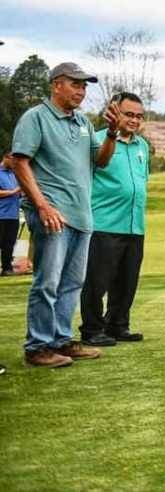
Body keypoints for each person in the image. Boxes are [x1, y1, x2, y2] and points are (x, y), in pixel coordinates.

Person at [11, 62, 121, 368]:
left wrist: (111, 133)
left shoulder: (83, 123)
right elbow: (21, 163)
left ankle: (60, 341)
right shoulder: (36, 118)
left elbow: (100, 160)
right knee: (47, 282)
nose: (81, 91)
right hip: (52, 214)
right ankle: (37, 347)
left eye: (84, 86)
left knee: (72, 283)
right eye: (75, 84)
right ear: (56, 84)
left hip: (82, 215)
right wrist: (43, 205)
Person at [79, 93, 150, 347]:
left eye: (139, 116)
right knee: (97, 281)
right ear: (115, 112)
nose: (134, 120)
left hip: (134, 225)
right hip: (103, 223)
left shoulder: (142, 146)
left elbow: (142, 182)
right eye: (129, 114)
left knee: (127, 280)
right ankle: (92, 329)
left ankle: (118, 325)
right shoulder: (97, 140)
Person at [0, 151, 21, 277]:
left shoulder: (14, 175)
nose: (15, 163)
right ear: (6, 158)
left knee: (10, 243)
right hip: (1, 214)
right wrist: (14, 191)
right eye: (13, 160)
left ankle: (7, 268)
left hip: (13, 215)